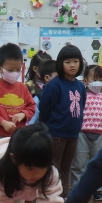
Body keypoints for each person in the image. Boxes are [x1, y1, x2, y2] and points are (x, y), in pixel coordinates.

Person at [38, 45, 86, 194]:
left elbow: (81, 106)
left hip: (73, 135)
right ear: (60, 64)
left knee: (66, 169)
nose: (72, 65)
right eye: (67, 62)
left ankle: (63, 199)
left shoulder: (80, 86)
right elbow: (44, 109)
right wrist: (47, 130)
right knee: (53, 168)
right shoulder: (54, 85)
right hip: (56, 135)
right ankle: (49, 197)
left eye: (76, 61)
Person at [71, 64, 102, 201]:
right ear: (85, 81)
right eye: (94, 79)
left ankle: (98, 191)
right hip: (82, 134)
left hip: (100, 135)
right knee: (78, 165)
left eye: (100, 79)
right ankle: (77, 193)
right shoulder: (80, 96)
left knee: (98, 165)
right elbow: (75, 113)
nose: (98, 82)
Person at [0, 43, 35, 140]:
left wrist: (23, 114)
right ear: (0, 68)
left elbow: (31, 107)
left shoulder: (23, 88)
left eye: (18, 69)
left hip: (19, 135)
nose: (15, 73)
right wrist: (3, 123)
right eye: (10, 70)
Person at [27, 58, 58, 125]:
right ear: (47, 78)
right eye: (58, 77)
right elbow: (31, 122)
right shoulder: (39, 97)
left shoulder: (63, 94)